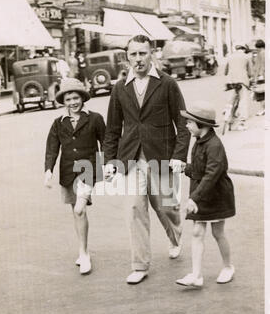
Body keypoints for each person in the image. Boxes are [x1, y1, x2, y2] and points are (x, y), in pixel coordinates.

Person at [102, 34, 190, 285]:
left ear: (152, 54)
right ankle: (140, 265)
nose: (138, 59)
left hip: (162, 155)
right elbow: (112, 128)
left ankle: (175, 236)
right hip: (130, 157)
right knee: (133, 208)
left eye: (142, 53)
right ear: (126, 57)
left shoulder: (168, 84)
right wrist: (110, 160)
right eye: (133, 54)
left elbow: (182, 123)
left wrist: (179, 156)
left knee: (166, 206)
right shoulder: (120, 88)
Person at [44, 78, 106, 274]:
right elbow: (52, 148)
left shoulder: (95, 118)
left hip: (88, 169)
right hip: (68, 172)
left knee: (79, 209)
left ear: (83, 98)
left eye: (76, 97)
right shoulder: (58, 123)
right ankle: (83, 250)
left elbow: (106, 143)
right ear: (63, 101)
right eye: (68, 99)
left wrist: (111, 165)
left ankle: (85, 254)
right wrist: (48, 170)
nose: (73, 102)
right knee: (77, 212)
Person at [176, 101, 235, 288]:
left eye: (189, 123)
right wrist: (185, 168)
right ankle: (196, 275)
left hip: (217, 196)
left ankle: (228, 267)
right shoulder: (199, 142)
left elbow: (212, 175)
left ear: (201, 124)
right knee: (197, 232)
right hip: (202, 195)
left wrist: (194, 198)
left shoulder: (214, 145)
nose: (186, 126)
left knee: (218, 232)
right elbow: (200, 170)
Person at [224, 44, 252, 131]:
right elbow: (250, 72)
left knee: (231, 102)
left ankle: (228, 118)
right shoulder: (246, 57)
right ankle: (241, 123)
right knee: (243, 102)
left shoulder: (230, 56)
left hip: (231, 83)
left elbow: (225, 72)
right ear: (244, 49)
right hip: (242, 82)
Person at [252, 39, 265, 116]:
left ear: (259, 47)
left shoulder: (260, 54)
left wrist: (255, 78)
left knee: (260, 94)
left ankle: (263, 109)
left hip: (261, 76)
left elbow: (258, 67)